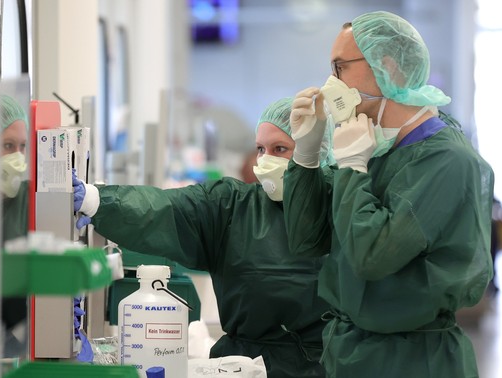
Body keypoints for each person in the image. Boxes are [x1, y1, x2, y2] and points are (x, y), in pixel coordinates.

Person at [283, 11, 494, 378]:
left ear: (389, 69)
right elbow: (306, 238)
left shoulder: (446, 160)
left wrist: (351, 167)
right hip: (350, 351)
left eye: (339, 67)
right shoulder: (372, 148)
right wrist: (306, 157)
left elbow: (373, 256)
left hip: (412, 359)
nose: (330, 83)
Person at [73, 97, 332, 377]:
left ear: (314, 150)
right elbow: (166, 209)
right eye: (260, 149)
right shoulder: (233, 208)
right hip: (243, 368)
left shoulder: (339, 210)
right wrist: (100, 201)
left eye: (280, 149)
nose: (266, 161)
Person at [0, 94, 29, 358]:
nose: (18, 157)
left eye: (23, 147)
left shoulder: (26, 199)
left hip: (16, 336)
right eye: (8, 146)